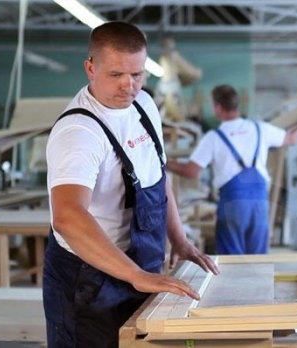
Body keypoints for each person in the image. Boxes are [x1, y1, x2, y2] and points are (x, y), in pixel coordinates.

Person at [44, 21, 219, 348]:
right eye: (115, 75)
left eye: (137, 75)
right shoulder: (80, 132)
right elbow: (67, 217)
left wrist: (179, 239)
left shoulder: (144, 107)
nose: (129, 86)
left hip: (140, 265)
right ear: (90, 68)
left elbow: (158, 177)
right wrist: (136, 275)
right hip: (90, 279)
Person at [166, 84, 297, 255]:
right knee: (258, 261)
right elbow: (292, 138)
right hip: (259, 204)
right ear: (236, 105)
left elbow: (190, 171)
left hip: (232, 205)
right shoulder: (260, 128)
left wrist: (165, 163)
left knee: (231, 262)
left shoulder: (213, 137)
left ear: (218, 107)